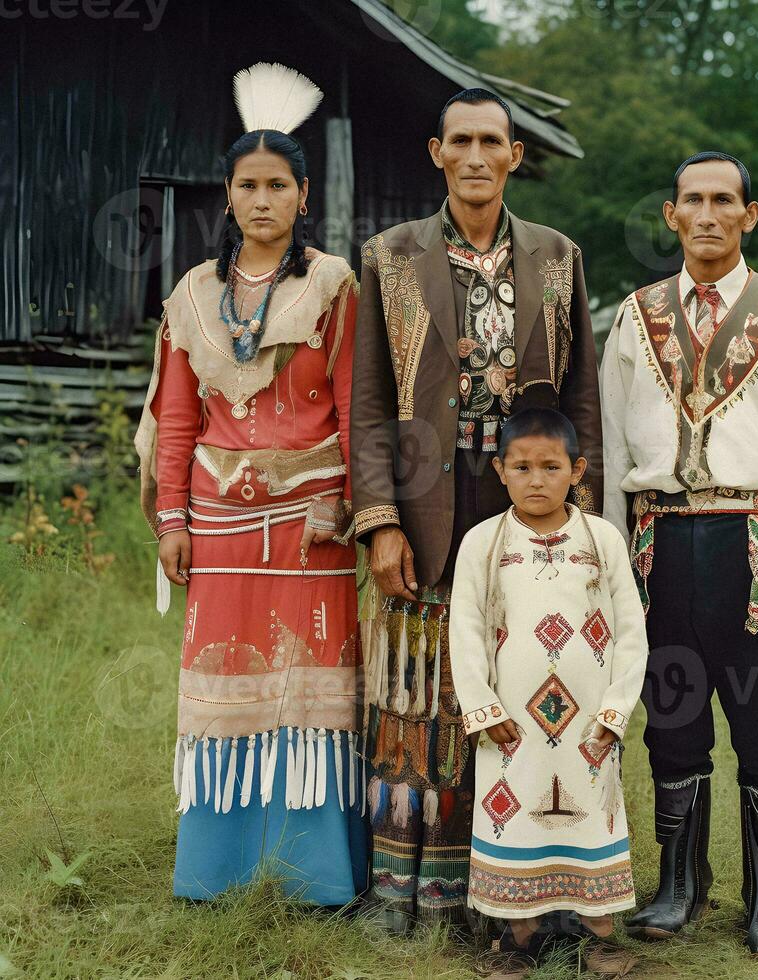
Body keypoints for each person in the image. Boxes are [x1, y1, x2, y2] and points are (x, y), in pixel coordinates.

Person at [350, 88, 603, 932]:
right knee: (418, 687)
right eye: (460, 141)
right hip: (426, 497)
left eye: (491, 141)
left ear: (514, 154)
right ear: (436, 153)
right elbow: (370, 400)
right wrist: (379, 516)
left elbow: (581, 399)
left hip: (526, 499)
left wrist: (583, 521)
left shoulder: (559, 257)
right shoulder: (388, 256)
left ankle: (517, 890)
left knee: (525, 681)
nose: (476, 157)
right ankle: (403, 891)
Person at [134, 63, 367, 904]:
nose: (261, 198)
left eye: (278, 184)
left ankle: (317, 877)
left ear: (303, 196)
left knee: (312, 690)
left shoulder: (336, 287)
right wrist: (170, 520)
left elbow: (351, 408)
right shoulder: (193, 298)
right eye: (247, 184)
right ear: (227, 196)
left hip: (312, 524)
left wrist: (347, 503)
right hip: (220, 524)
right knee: (226, 690)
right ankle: (215, 870)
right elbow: (176, 422)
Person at [600, 151, 758, 959]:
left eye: (723, 200)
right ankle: (679, 884)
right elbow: (606, 447)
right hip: (654, 544)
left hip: (751, 545)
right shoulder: (636, 316)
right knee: (670, 721)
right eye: (691, 200)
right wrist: (605, 569)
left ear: (749, 213)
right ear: (670, 216)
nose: (707, 214)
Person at [449, 409, 645, 979]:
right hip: (511, 727)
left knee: (593, 816)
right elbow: (464, 630)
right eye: (522, 467)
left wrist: (613, 711)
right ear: (500, 471)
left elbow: (632, 631)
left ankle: (601, 937)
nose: (536, 479)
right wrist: (482, 709)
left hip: (589, 726)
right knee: (514, 817)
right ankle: (519, 938)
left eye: (551, 467)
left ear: (577, 470)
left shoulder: (601, 539)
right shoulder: (483, 543)